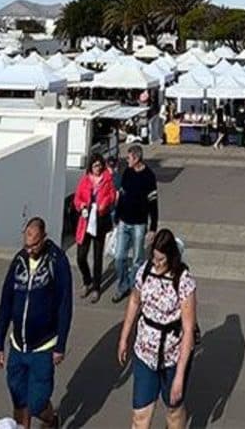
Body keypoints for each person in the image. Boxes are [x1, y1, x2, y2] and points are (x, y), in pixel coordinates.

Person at [0, 217, 73, 429]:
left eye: (34, 245)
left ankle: (51, 418)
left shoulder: (57, 261)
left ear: (44, 238)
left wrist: (60, 345)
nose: (29, 250)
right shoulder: (18, 262)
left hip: (43, 347)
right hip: (18, 346)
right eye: (26, 245)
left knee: (37, 403)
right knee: (19, 400)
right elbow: (6, 302)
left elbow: (65, 305)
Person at [118, 228, 198, 429]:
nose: (157, 263)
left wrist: (179, 377)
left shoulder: (184, 281)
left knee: (173, 411)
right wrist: (124, 337)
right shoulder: (145, 272)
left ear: (171, 256)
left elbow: (188, 330)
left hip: (172, 356)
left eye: (161, 259)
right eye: (154, 257)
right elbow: (134, 302)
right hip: (145, 354)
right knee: (140, 417)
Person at [113, 145, 159, 304]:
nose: (127, 160)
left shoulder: (149, 176)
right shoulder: (127, 172)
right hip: (124, 221)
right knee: (119, 257)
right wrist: (117, 216)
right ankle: (123, 284)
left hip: (139, 223)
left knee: (137, 259)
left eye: (129, 157)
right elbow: (122, 194)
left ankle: (134, 288)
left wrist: (153, 227)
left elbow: (153, 202)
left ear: (137, 158)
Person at [74, 154, 117, 303]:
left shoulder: (107, 179)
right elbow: (77, 198)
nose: (98, 169)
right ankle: (88, 281)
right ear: (90, 167)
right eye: (95, 166)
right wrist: (81, 206)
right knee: (81, 256)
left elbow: (112, 195)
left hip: (100, 220)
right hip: (86, 220)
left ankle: (96, 288)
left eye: (100, 165)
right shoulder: (85, 180)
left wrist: (105, 202)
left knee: (97, 257)